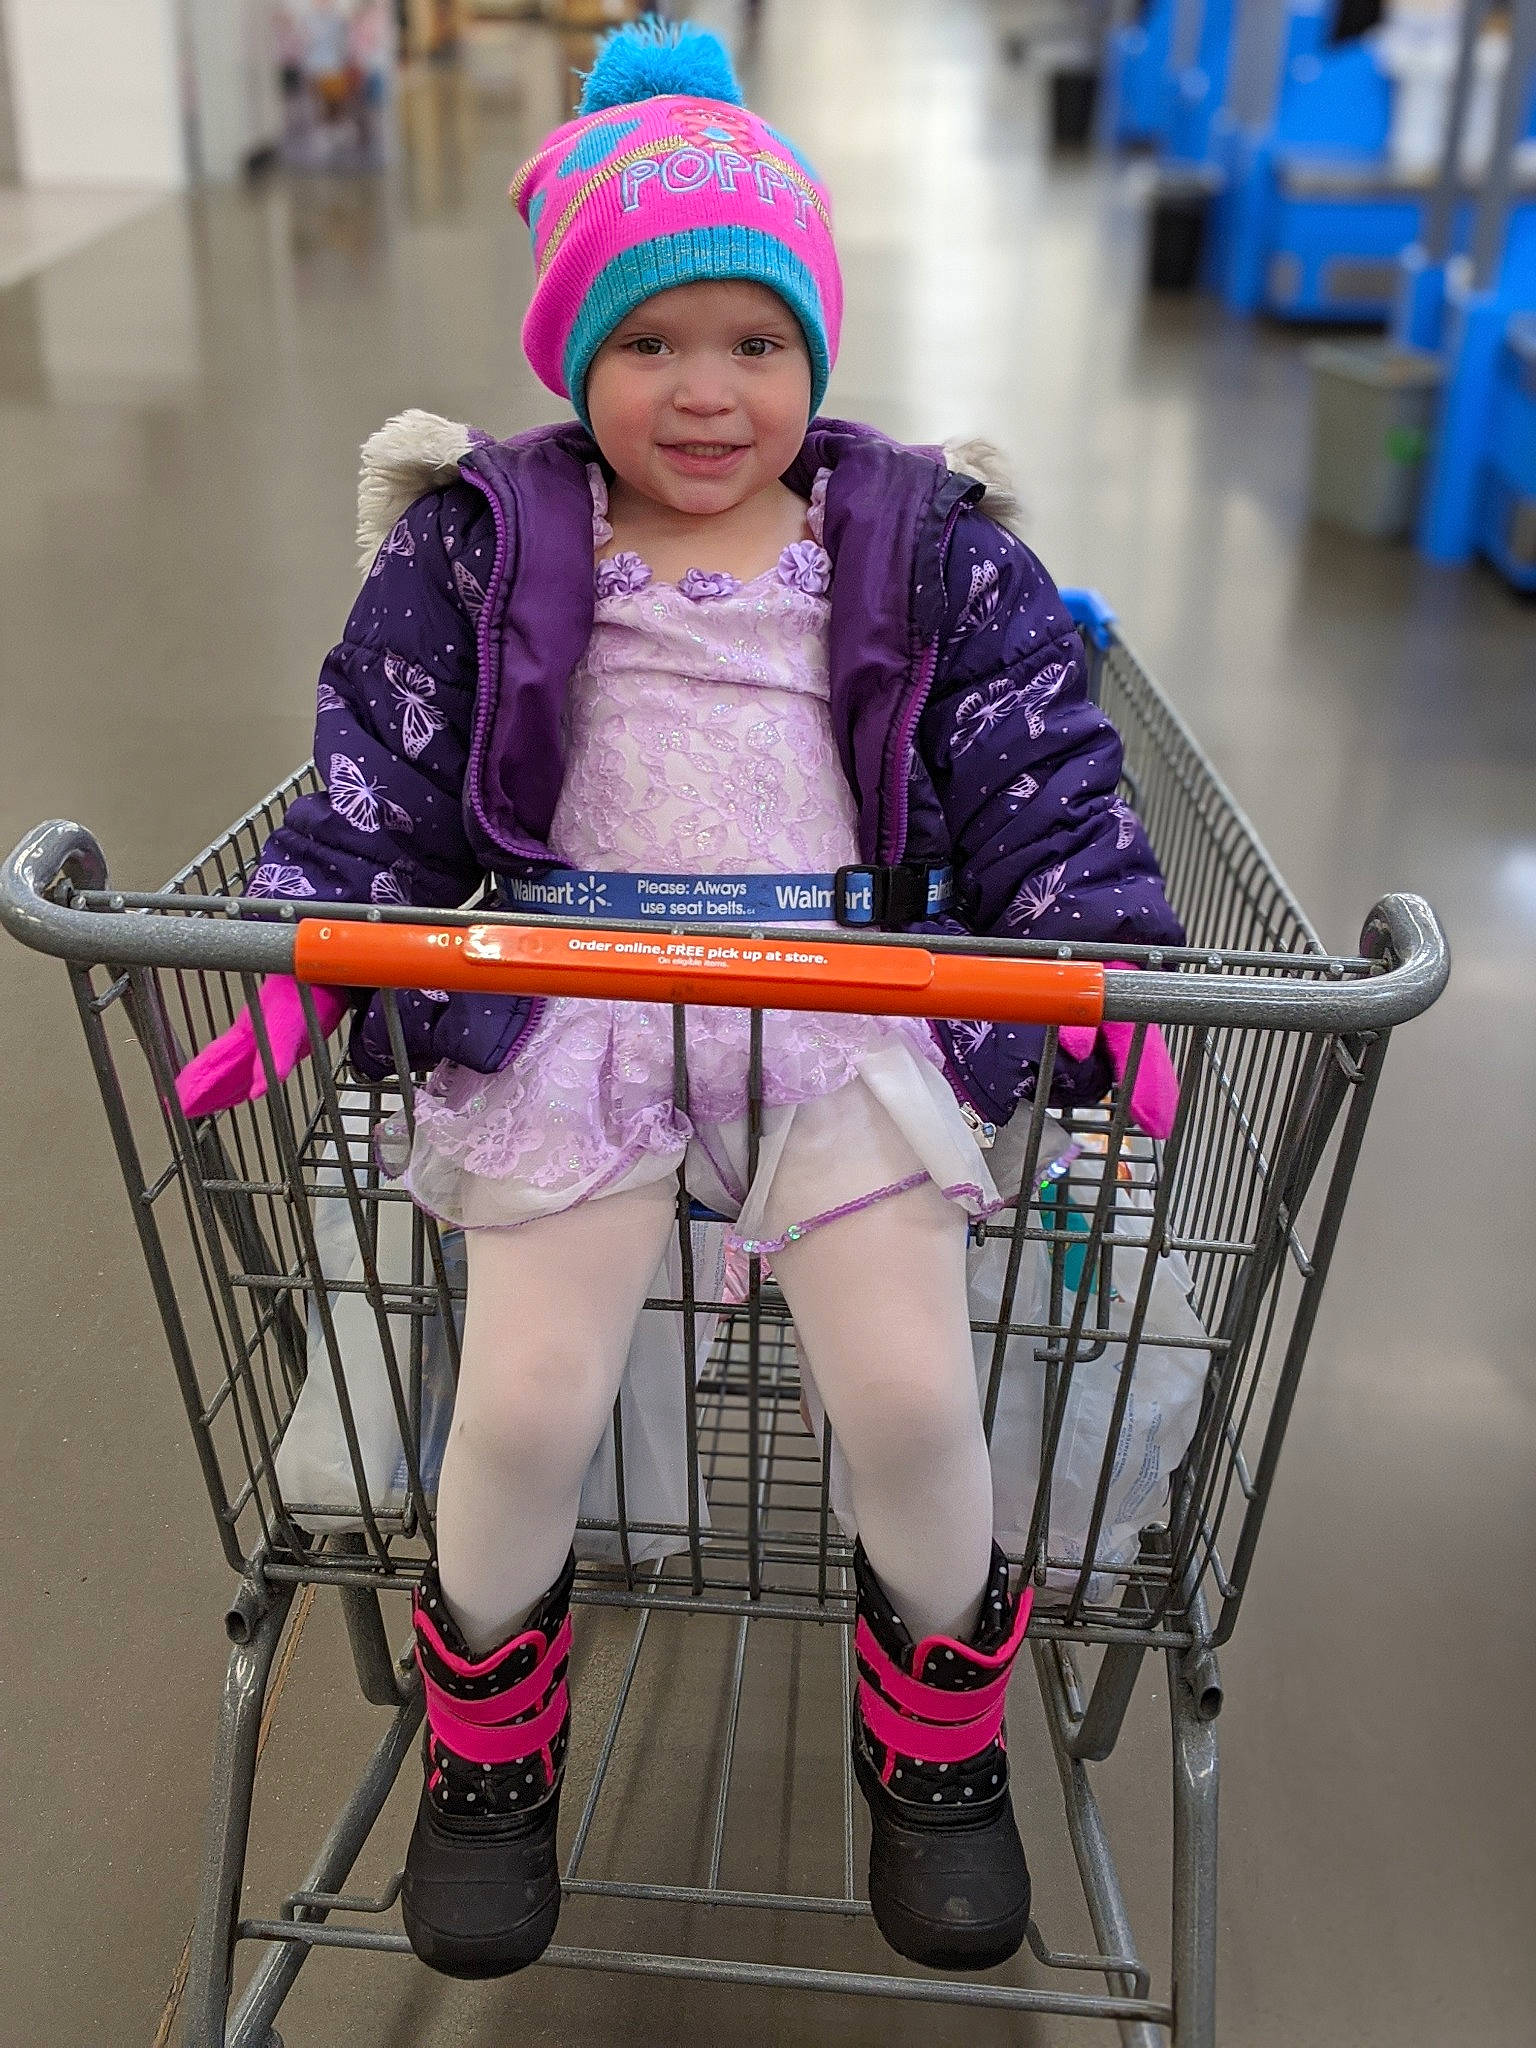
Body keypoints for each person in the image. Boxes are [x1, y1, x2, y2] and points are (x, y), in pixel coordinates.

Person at [176, 18, 1184, 1983]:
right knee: (531, 1394)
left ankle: (940, 1744)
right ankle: (489, 1759)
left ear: (817, 347)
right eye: (647, 342)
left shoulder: (913, 535)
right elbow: (384, 763)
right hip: (580, 1002)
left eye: (753, 340)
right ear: (573, 355)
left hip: (834, 1005)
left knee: (902, 1382)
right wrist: (310, 958)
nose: (705, 393)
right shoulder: (491, 538)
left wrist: (1108, 967)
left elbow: (1028, 754)